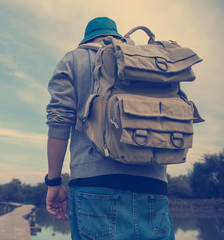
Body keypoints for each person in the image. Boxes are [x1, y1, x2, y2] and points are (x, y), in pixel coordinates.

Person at [45, 17, 175, 240]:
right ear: (116, 34)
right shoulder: (149, 61)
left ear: (86, 39)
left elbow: (59, 122)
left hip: (94, 187)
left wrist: (54, 182)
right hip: (154, 188)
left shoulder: (74, 60)